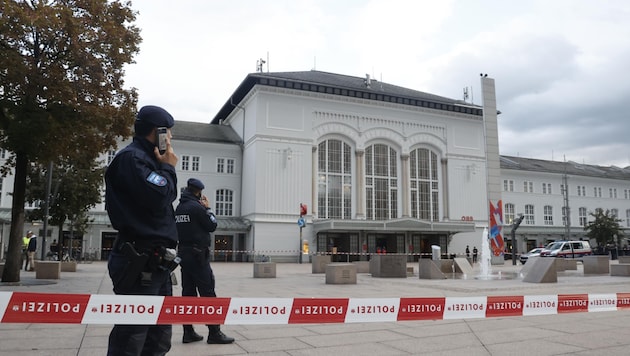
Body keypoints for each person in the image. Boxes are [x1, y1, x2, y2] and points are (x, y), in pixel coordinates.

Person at [104, 105, 179, 356]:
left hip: (156, 260)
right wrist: (169, 167)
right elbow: (161, 197)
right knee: (132, 336)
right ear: (157, 132)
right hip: (139, 259)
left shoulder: (149, 161)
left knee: (158, 336)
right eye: (167, 133)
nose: (170, 139)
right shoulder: (133, 159)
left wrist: (163, 166)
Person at [175, 178, 235, 345]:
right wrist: (208, 208)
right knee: (208, 292)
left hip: (184, 254)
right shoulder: (197, 207)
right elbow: (212, 225)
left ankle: (188, 332)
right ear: (199, 192)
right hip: (198, 255)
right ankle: (214, 332)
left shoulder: (179, 208)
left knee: (188, 293)